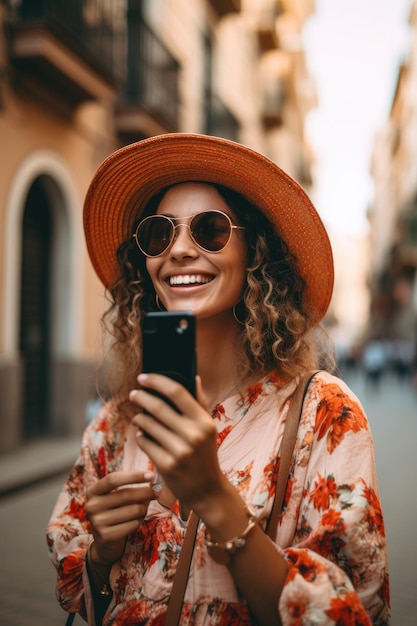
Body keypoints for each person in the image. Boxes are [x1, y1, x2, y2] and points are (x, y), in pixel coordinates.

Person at [47, 133, 390, 626]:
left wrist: (212, 495)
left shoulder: (326, 416)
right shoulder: (114, 423)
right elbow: (90, 597)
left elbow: (349, 614)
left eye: (209, 230)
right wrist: (102, 556)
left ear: (256, 254)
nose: (181, 250)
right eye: (159, 234)